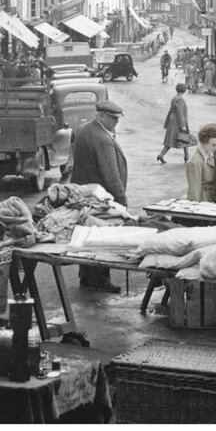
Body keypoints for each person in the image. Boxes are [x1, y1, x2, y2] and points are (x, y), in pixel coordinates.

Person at [71, 100, 128, 292]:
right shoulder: (102, 138)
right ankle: (100, 279)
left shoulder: (83, 129)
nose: (116, 122)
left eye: (117, 118)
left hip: (85, 194)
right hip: (102, 197)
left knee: (88, 234)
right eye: (113, 118)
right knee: (103, 237)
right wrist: (121, 199)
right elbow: (111, 175)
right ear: (101, 115)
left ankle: (86, 276)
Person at [185, 123, 216, 202]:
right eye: (213, 145)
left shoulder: (208, 153)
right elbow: (194, 192)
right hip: (204, 202)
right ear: (203, 141)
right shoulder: (194, 162)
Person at [157, 83, 190, 163]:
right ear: (184, 90)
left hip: (173, 120)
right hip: (177, 121)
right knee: (184, 137)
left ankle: (162, 155)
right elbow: (180, 113)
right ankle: (187, 157)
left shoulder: (175, 98)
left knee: (172, 139)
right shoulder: (180, 99)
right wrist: (183, 126)